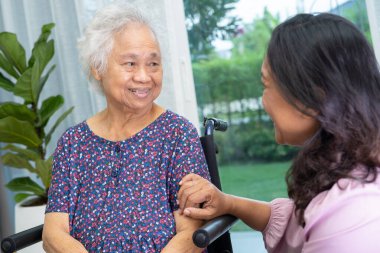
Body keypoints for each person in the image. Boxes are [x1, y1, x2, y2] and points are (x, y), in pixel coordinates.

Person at [178, 13, 380, 253]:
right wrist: (228, 203)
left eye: (266, 84)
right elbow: (296, 224)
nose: (264, 100)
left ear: (313, 96)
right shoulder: (352, 171)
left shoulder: (353, 215)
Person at [42, 3, 208, 253]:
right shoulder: (73, 143)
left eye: (153, 64)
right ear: (98, 68)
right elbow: (53, 234)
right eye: (130, 63)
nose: (144, 76)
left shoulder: (177, 133)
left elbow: (192, 233)